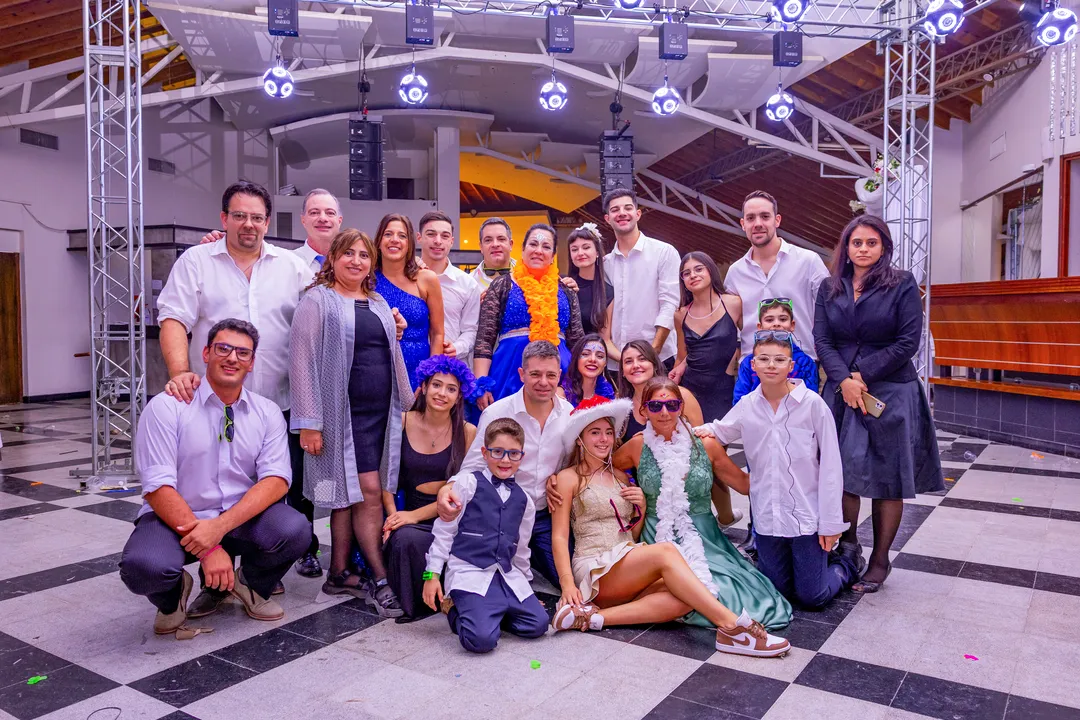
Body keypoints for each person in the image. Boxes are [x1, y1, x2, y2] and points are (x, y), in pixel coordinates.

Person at [158, 181, 325, 595]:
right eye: (239, 216)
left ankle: (256, 571)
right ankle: (211, 561)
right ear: (223, 218)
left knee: (274, 490)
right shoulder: (196, 261)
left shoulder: (292, 266)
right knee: (212, 486)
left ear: (267, 222)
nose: (248, 224)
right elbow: (174, 318)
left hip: (278, 404)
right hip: (213, 404)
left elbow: (329, 305)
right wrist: (180, 372)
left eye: (256, 217)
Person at [548, 397, 791, 657]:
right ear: (579, 439)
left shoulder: (620, 477)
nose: (604, 439)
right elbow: (560, 537)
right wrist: (567, 585)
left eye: (608, 432)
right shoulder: (567, 478)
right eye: (595, 433)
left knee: (687, 595)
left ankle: (592, 619)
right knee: (666, 551)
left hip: (625, 563)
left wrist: (641, 507)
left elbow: (630, 533)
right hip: (594, 568)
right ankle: (732, 628)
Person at [119, 319, 310, 634]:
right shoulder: (167, 407)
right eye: (223, 349)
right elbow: (157, 487)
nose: (233, 358)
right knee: (144, 567)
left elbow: (276, 480)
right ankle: (172, 597)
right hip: (177, 518)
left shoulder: (267, 412)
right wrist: (208, 549)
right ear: (206, 353)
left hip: (238, 518)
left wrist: (218, 528)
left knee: (295, 529)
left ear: (252, 363)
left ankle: (248, 584)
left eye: (243, 353)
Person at [814, 215, 944, 593]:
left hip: (891, 390)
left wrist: (860, 375)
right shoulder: (829, 286)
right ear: (846, 247)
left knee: (888, 479)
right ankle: (848, 547)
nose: (863, 249)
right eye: (857, 242)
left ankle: (881, 560)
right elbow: (822, 340)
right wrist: (844, 380)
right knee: (842, 473)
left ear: (884, 247)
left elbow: (908, 342)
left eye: (872, 242)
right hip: (842, 391)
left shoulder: (902, 283)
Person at [289, 228, 415, 617]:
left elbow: (392, 353)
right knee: (370, 492)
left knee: (348, 497)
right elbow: (301, 360)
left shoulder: (377, 301)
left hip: (379, 414)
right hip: (342, 415)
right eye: (348, 253)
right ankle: (380, 577)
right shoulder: (317, 300)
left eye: (363, 255)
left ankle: (339, 573)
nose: (356, 261)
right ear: (333, 258)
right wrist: (309, 421)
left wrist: (407, 402)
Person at [610, 377, 792, 631]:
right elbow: (607, 468)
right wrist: (630, 493)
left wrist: (780, 460)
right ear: (644, 411)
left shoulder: (705, 445)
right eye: (656, 406)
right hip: (657, 534)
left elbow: (744, 485)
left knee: (732, 594)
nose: (664, 412)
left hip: (705, 535)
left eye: (672, 405)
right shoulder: (637, 446)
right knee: (681, 586)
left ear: (681, 407)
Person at [695, 331, 862, 609]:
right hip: (768, 518)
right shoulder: (747, 406)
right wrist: (686, 431)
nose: (771, 365)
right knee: (778, 592)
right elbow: (719, 430)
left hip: (806, 518)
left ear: (791, 366)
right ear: (753, 365)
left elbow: (831, 467)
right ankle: (809, 567)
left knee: (812, 597)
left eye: (779, 360)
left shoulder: (812, 405)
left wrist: (831, 524)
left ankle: (846, 564)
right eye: (764, 359)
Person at [437, 340, 573, 586]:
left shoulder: (568, 414)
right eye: (535, 374)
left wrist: (558, 477)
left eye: (551, 375)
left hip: (545, 515)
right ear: (522, 374)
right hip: (500, 514)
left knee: (566, 575)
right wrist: (448, 488)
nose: (544, 382)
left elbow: (570, 464)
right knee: (491, 580)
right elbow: (473, 467)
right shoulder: (497, 413)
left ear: (559, 376)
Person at [423, 418, 550, 653]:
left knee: (538, 624)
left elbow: (521, 549)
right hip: (469, 574)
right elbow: (444, 533)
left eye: (513, 454)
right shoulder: (467, 483)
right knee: (480, 641)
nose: (505, 460)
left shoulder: (525, 500)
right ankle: (455, 610)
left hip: (506, 575)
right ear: (484, 452)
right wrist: (431, 575)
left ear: (522, 457)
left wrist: (526, 589)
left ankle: (491, 614)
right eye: (498, 452)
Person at [383, 355, 478, 621]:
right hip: (408, 515)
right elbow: (385, 477)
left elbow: (467, 489)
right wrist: (393, 517)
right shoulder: (402, 421)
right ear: (424, 387)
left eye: (451, 389)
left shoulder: (468, 432)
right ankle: (418, 602)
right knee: (404, 539)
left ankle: (444, 592)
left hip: (450, 517)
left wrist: (413, 517)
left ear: (459, 397)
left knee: (448, 543)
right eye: (436, 385)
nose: (442, 394)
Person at [472, 223, 584, 407]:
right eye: (533, 244)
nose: (538, 251)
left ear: (553, 255)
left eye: (546, 246)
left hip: (559, 376)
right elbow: (484, 340)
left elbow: (577, 342)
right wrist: (482, 384)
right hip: (509, 372)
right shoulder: (502, 285)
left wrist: (574, 383)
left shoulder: (567, 290)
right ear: (523, 249)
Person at [724, 190, 830, 363]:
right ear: (743, 224)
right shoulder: (735, 273)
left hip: (800, 364)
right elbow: (729, 326)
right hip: (753, 366)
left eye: (765, 216)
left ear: (777, 220)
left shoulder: (808, 261)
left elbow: (830, 311)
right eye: (750, 218)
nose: (758, 223)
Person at [602, 189, 681, 371]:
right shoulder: (605, 264)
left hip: (659, 357)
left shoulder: (663, 252)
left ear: (637, 214)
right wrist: (623, 359)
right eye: (615, 210)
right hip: (617, 362)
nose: (622, 213)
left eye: (627, 208)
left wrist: (653, 352)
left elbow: (670, 304)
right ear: (607, 219)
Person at [374, 213, 445, 388]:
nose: (394, 240)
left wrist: (430, 376)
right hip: (376, 369)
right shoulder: (367, 280)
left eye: (402, 236)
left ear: (410, 244)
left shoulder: (427, 279)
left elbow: (437, 333)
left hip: (418, 374)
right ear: (379, 240)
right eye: (388, 234)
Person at [670, 251, 742, 423]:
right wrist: (672, 387)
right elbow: (681, 355)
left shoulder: (733, 303)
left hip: (724, 389)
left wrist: (735, 362)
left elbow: (749, 341)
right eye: (686, 273)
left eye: (698, 269)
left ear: (710, 270)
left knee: (719, 438)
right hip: (691, 388)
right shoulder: (680, 315)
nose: (693, 275)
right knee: (692, 438)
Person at [200, 188, 343, 275]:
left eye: (330, 213)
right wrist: (223, 245)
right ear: (303, 220)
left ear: (339, 220)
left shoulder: (352, 263)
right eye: (314, 212)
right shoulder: (282, 263)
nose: (322, 218)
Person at [416, 211, 481, 365]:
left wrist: (456, 348)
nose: (438, 241)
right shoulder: (406, 278)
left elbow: (471, 329)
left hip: (450, 367)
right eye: (431, 234)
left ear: (451, 241)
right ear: (419, 238)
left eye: (444, 236)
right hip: (409, 362)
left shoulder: (467, 284)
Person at [733, 298, 818, 405]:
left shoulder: (805, 362)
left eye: (782, 319)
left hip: (795, 413)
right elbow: (739, 401)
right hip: (756, 413)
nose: (776, 324)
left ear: (792, 325)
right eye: (769, 320)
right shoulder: (748, 362)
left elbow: (810, 400)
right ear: (760, 326)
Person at [566, 223, 616, 347]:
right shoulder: (564, 285)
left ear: (597, 252)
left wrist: (626, 357)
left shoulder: (608, 292)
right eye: (574, 249)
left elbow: (605, 340)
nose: (580, 253)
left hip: (591, 354)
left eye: (586, 247)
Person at [558, 334, 616, 407]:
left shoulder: (609, 396)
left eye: (600, 356)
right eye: (585, 354)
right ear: (576, 359)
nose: (593, 359)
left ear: (605, 363)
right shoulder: (560, 396)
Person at [470, 217, 516, 290]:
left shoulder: (529, 276)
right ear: (481, 247)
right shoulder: (468, 283)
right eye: (488, 240)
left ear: (510, 244)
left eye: (501, 239)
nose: (495, 244)